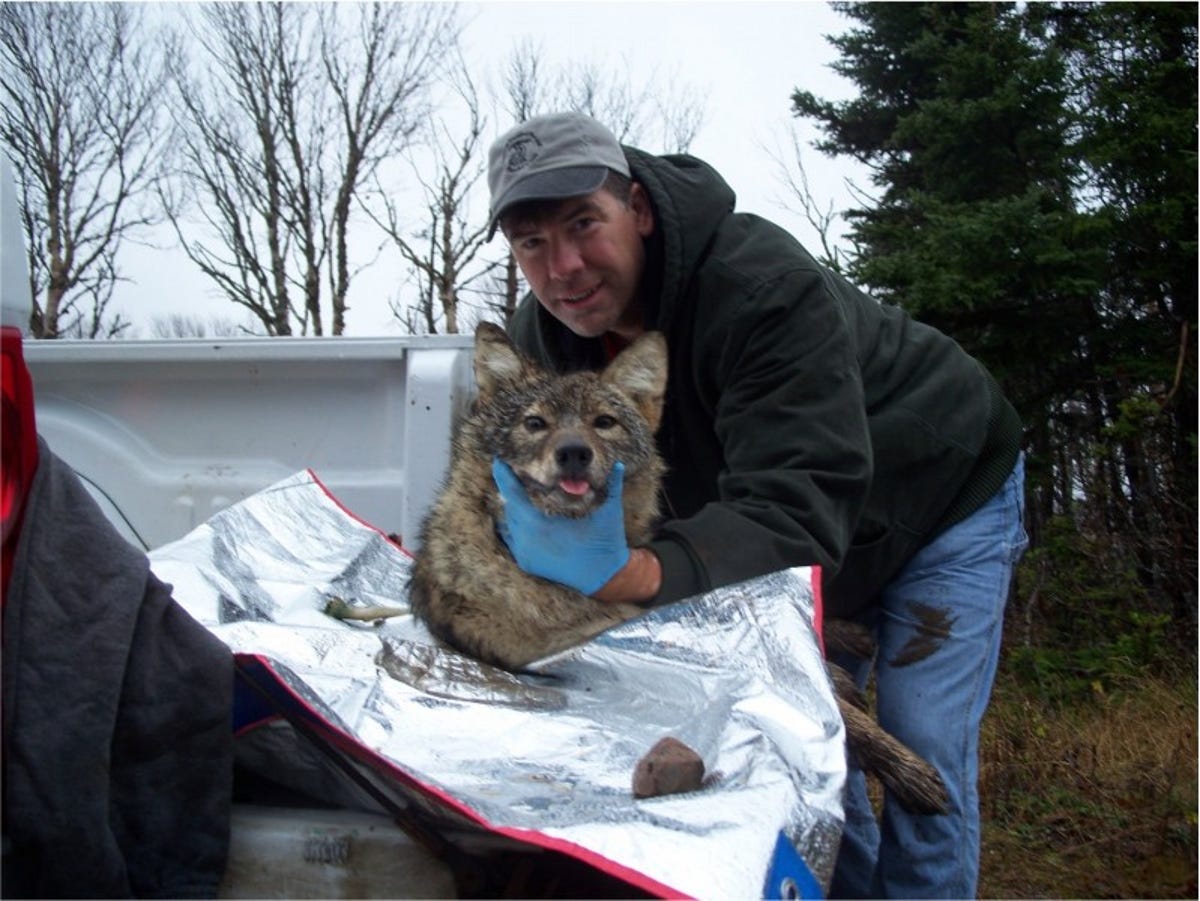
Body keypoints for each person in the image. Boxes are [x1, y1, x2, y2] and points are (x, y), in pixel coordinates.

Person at [484, 111, 1027, 899]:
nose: (563, 266)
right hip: (776, 545)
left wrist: (637, 573)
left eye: (582, 224)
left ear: (635, 208)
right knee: (790, 747)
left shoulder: (761, 288)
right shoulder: (548, 341)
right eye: (532, 243)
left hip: (938, 499)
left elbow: (798, 500)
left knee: (924, 744)